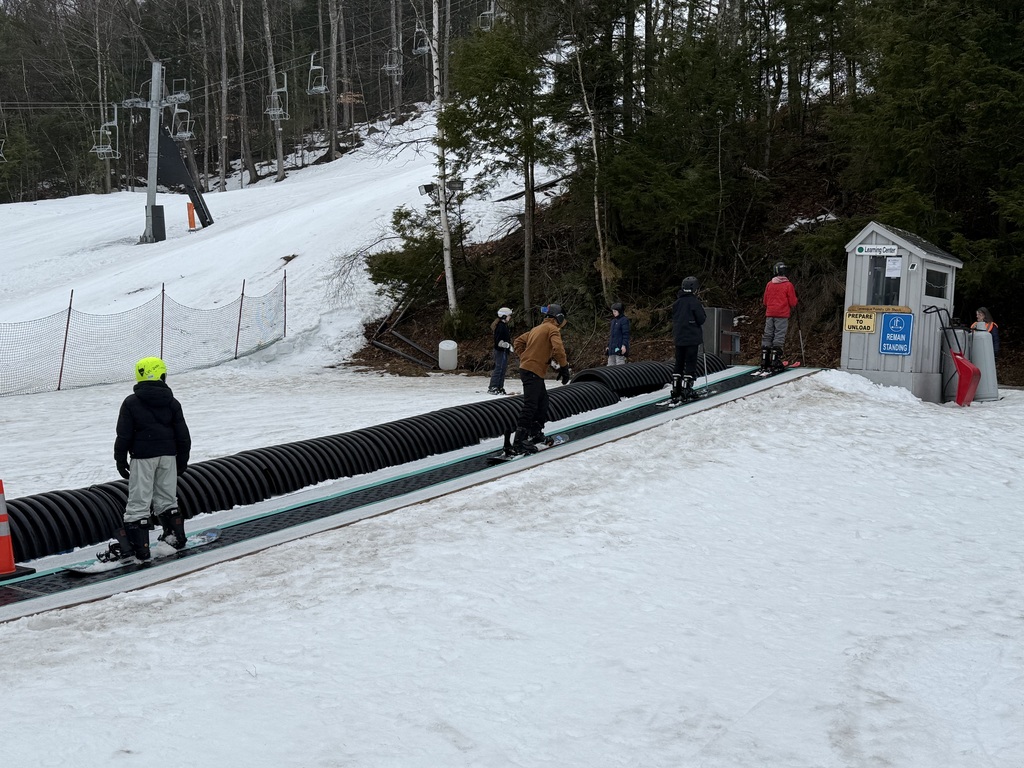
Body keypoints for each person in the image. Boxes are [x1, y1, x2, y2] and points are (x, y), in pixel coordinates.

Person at [100, 357, 191, 563]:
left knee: (139, 502)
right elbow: (183, 434)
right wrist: (182, 459)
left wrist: (120, 459)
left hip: (142, 458)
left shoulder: (131, 402)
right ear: (160, 375)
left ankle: (139, 549)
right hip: (168, 456)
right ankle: (174, 538)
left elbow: (123, 434)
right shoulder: (172, 402)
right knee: (167, 498)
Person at [509, 304, 570, 455]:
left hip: (531, 370)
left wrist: (525, 356)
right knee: (531, 405)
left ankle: (534, 433)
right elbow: (558, 348)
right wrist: (564, 367)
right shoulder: (552, 329)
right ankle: (519, 441)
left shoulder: (537, 329)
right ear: (559, 318)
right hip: (532, 371)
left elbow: (517, 342)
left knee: (543, 402)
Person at [671, 276, 707, 402]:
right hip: (691, 337)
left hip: (679, 337)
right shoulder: (694, 302)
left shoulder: (677, 303)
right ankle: (687, 387)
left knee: (679, 361)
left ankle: (676, 387)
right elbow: (701, 319)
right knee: (690, 361)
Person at [761, 261, 798, 372]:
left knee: (768, 335)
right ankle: (774, 360)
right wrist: (796, 299)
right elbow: (793, 302)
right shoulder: (788, 285)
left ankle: (764, 360)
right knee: (779, 336)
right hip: (781, 314)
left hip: (770, 313)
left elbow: (765, 301)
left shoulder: (769, 284)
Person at [488, 307, 513, 394]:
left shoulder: (504, 325)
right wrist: (506, 345)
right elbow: (498, 340)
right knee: (499, 368)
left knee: (503, 368)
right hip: (500, 351)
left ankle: (499, 386)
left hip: (503, 351)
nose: (510, 317)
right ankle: (493, 387)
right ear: (503, 316)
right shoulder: (500, 326)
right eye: (509, 316)